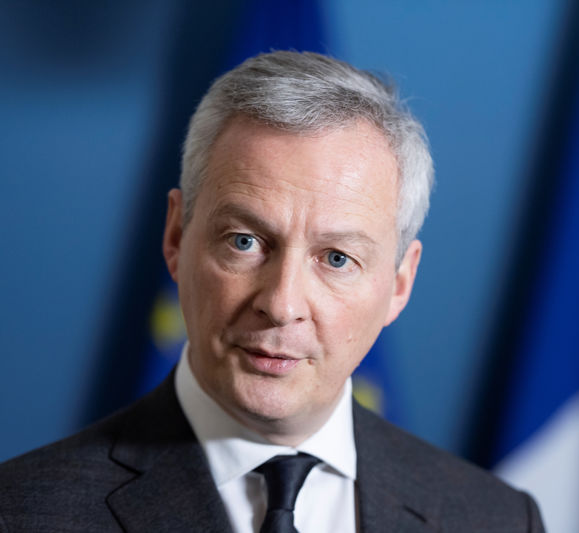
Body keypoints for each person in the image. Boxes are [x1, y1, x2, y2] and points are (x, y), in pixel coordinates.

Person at [0, 51, 544, 533]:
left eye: (337, 259)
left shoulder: (496, 519)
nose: (281, 305)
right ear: (176, 237)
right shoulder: (21, 514)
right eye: (244, 242)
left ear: (400, 283)